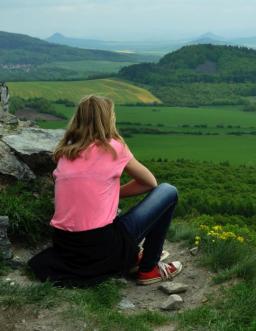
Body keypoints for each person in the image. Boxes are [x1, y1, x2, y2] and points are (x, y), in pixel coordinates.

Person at [28, 95, 182, 287]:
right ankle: (149, 268)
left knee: (110, 223)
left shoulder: (64, 153)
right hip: (101, 248)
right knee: (168, 191)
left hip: (65, 247)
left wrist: (105, 193)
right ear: (108, 119)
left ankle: (136, 256)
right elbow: (149, 182)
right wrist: (115, 192)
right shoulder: (114, 148)